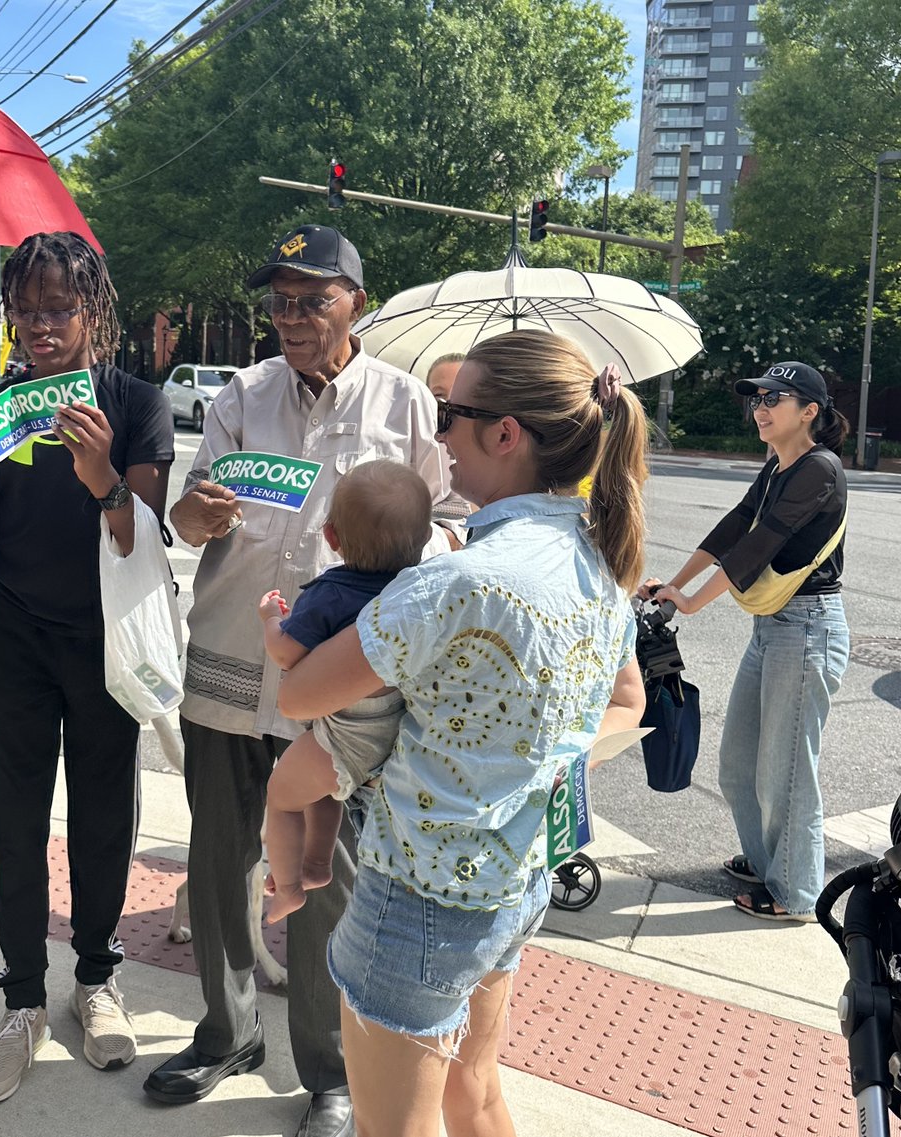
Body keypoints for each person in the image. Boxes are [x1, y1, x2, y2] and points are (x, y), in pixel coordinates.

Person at [274, 330, 649, 1137]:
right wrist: (537, 752)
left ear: (505, 433)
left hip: (419, 894)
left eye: (452, 412)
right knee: (475, 1094)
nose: (438, 432)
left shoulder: (456, 582)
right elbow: (626, 701)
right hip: (519, 878)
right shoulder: (599, 557)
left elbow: (302, 694)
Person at [145, 224, 458, 1137]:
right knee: (220, 858)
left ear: (355, 300)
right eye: (278, 301)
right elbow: (196, 513)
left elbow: (450, 520)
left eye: (310, 300)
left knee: (327, 876)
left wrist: (402, 550)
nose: (289, 318)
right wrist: (195, 513)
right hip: (232, 658)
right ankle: (227, 1032)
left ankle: (328, 1071)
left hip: (338, 679)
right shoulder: (243, 391)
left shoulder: (402, 404)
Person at [0, 231, 175, 1104]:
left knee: (105, 812)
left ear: (93, 309)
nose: (40, 324)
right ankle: (22, 1000)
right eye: (25, 308)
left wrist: (102, 472)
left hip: (107, 639)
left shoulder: (136, 403)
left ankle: (97, 979)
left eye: (58, 307)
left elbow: (140, 538)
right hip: (19, 636)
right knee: (17, 816)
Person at [640, 361, 850, 924]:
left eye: (774, 398)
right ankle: (766, 860)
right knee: (738, 762)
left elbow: (757, 547)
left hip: (807, 631)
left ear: (809, 411)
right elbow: (734, 526)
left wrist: (691, 602)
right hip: (775, 630)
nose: (760, 407)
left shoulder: (818, 469)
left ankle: (796, 893)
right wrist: (675, 584)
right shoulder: (779, 465)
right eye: (756, 398)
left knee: (785, 769)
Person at [258, 460, 432, 924]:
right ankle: (316, 864)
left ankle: (290, 886)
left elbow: (287, 655)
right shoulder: (415, 589)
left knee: (282, 794)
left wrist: (270, 620)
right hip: (390, 733)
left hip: (346, 736)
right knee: (322, 790)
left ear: (331, 538)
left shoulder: (331, 592)